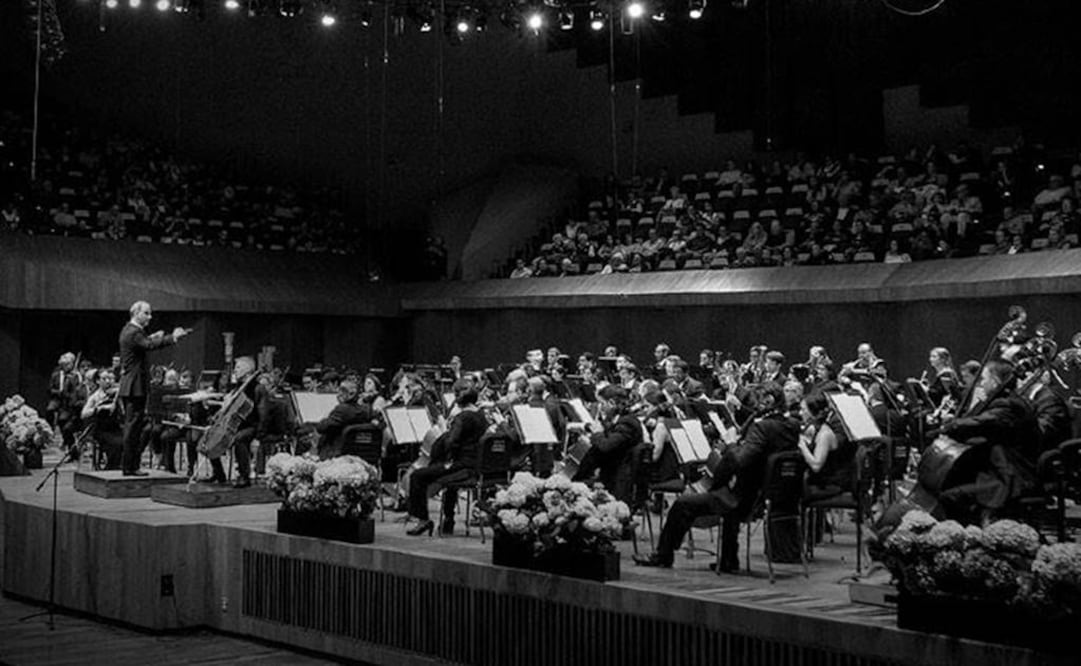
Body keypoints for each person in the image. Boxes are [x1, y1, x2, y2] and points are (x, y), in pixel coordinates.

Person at [633, 383, 799, 570]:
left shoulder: (763, 428)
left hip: (742, 498)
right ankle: (729, 559)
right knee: (720, 492)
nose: (754, 405)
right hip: (765, 494)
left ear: (768, 401)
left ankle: (663, 555)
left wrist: (730, 444)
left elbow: (741, 460)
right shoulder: (791, 426)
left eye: (758, 400)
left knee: (682, 504)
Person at [935, 359, 1040, 523]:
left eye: (983, 379)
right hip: (999, 468)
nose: (981, 384)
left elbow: (980, 422)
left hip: (1010, 478)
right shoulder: (1010, 400)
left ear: (995, 381)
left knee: (950, 497)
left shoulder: (1009, 405)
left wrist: (950, 425)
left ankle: (971, 536)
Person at [406, 383, 487, 536]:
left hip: (461, 467)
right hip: (475, 466)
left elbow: (451, 442)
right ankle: (448, 521)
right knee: (448, 481)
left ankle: (423, 519)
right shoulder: (481, 415)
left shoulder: (462, 417)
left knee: (417, 475)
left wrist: (445, 432)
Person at [118, 301, 189, 476]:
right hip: (135, 386)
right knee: (133, 428)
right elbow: (148, 345)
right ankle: (130, 467)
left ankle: (130, 465)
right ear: (136, 314)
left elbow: (146, 342)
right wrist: (173, 337)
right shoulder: (133, 332)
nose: (150, 317)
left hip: (132, 385)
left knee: (134, 427)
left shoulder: (130, 330)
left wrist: (154, 337)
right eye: (147, 313)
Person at [572, 385, 644, 504]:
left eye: (602, 403)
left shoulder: (628, 423)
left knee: (582, 476)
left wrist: (597, 433)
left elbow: (606, 446)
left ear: (611, 403)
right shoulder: (619, 418)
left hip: (618, 476)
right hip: (611, 469)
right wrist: (589, 429)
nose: (601, 407)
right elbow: (607, 432)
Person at [314, 379, 372, 460]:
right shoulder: (366, 410)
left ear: (352, 394)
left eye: (342, 390)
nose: (338, 394)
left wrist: (326, 416)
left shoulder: (342, 409)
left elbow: (321, 427)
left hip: (335, 457)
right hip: (359, 457)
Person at [81, 368, 124, 470]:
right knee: (116, 444)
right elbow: (83, 414)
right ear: (97, 381)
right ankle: (111, 468)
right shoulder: (95, 397)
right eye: (104, 379)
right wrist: (99, 408)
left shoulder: (115, 393)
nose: (108, 381)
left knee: (128, 440)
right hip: (101, 429)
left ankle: (119, 467)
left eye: (109, 378)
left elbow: (122, 412)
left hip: (115, 427)